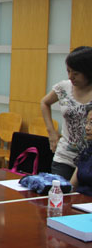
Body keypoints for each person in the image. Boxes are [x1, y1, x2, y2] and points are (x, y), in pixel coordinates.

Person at [41, 46, 92, 180]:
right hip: (65, 156)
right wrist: (52, 132)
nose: (70, 77)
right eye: (68, 71)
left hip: (89, 160)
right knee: (59, 189)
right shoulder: (64, 87)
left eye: (76, 73)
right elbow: (44, 103)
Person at [70, 104, 92, 196]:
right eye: (86, 122)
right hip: (78, 201)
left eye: (91, 123)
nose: (87, 127)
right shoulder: (86, 152)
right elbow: (72, 187)